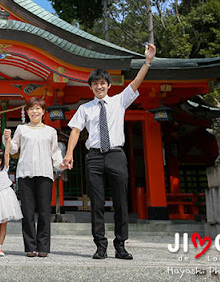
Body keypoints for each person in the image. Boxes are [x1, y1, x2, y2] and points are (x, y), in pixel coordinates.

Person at [63, 43, 157, 261]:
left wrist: (148, 62)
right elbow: (75, 131)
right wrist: (69, 154)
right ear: (91, 87)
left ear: (108, 85)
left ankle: (121, 244)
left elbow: (136, 82)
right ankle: (100, 246)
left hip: (115, 154)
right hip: (94, 156)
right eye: (95, 84)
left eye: (102, 83)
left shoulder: (118, 102)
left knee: (120, 201)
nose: (99, 87)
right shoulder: (84, 108)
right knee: (96, 203)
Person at [9, 97, 66, 258]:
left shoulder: (50, 131)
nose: (34, 111)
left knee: (44, 211)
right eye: (31, 109)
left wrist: (61, 164)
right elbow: (13, 149)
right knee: (27, 212)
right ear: (27, 112)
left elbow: (55, 152)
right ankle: (30, 247)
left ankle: (43, 247)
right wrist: (7, 139)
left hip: (45, 173)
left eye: (38, 108)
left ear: (43, 111)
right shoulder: (21, 129)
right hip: (25, 173)